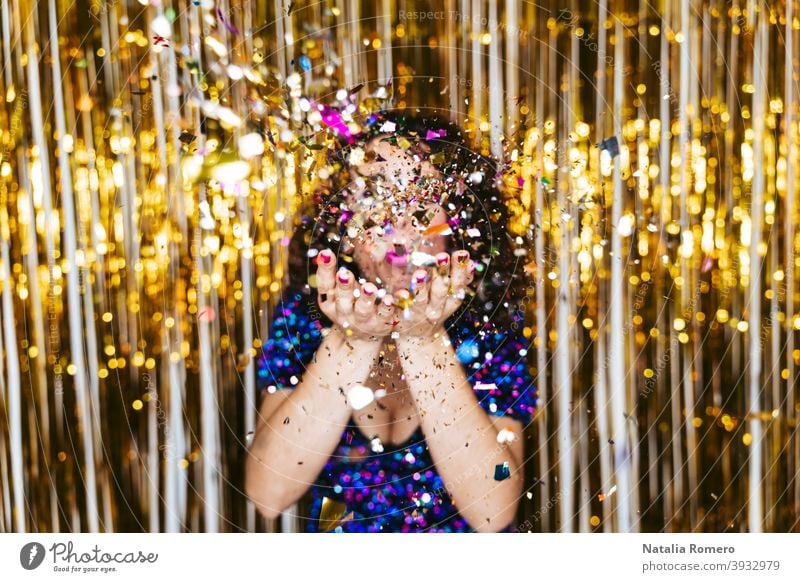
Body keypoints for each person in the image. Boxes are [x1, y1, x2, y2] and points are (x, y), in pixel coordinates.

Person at [245, 112, 536, 532]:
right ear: (346, 225)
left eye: (421, 200)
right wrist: (355, 342)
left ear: (458, 222)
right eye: (378, 197)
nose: (400, 226)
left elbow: (493, 511)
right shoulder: (306, 315)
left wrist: (423, 339)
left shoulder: (490, 324)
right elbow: (267, 495)